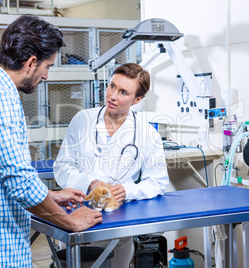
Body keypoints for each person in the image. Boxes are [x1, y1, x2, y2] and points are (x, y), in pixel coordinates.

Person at [0, 15, 102, 267]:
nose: (46, 76)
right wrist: (71, 221)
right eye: (47, 67)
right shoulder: (1, 101)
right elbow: (21, 184)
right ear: (30, 62)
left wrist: (50, 194)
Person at [53, 63, 169, 267]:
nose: (112, 95)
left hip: (118, 227)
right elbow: (62, 168)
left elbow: (157, 182)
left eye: (123, 92)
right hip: (77, 219)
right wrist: (90, 183)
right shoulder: (83, 120)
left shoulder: (147, 133)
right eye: (112, 86)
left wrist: (126, 190)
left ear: (137, 99)